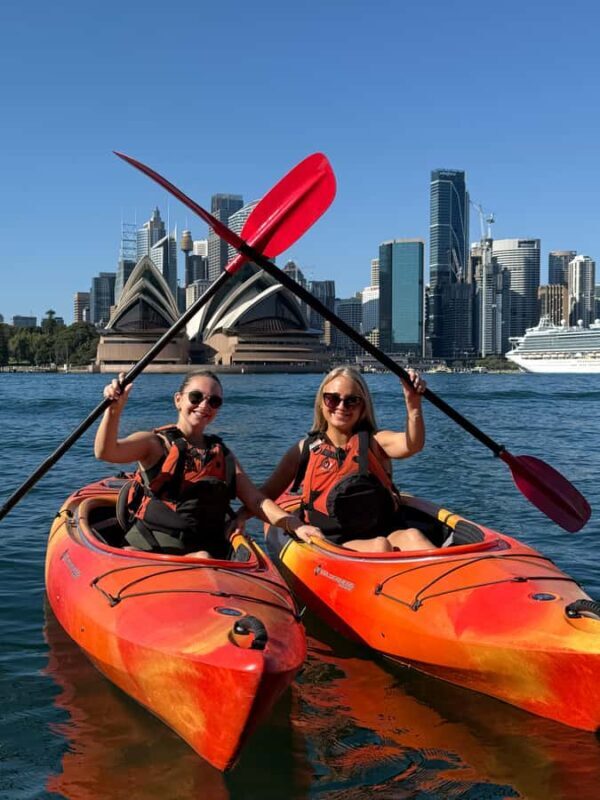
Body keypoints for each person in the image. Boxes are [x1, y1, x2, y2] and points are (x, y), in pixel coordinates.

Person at [94, 369, 321, 558]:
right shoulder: (154, 443)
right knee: (201, 558)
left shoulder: (223, 454)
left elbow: (257, 501)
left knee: (203, 557)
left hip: (206, 554)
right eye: (196, 397)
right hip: (152, 548)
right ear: (178, 400)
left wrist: (296, 525)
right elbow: (106, 451)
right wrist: (114, 410)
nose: (204, 405)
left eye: (214, 401)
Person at [246, 365, 434, 553]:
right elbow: (265, 494)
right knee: (380, 546)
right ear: (321, 402)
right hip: (334, 542)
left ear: (363, 407)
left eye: (352, 401)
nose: (341, 407)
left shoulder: (375, 442)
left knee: (413, 536)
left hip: (384, 529)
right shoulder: (304, 450)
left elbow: (412, 445)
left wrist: (413, 404)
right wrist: (240, 517)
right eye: (332, 399)